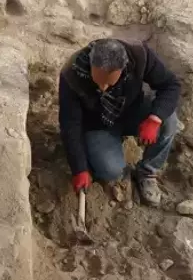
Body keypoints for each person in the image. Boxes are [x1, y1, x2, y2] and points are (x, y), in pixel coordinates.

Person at [58, 38, 181, 206]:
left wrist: (154, 118)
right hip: (97, 124)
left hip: (132, 111)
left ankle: (148, 172)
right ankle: (118, 170)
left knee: (169, 121)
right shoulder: (72, 73)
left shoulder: (140, 57)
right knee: (110, 170)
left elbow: (171, 85)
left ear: (122, 69)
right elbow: (70, 124)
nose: (102, 88)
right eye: (98, 81)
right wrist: (79, 168)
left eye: (108, 83)